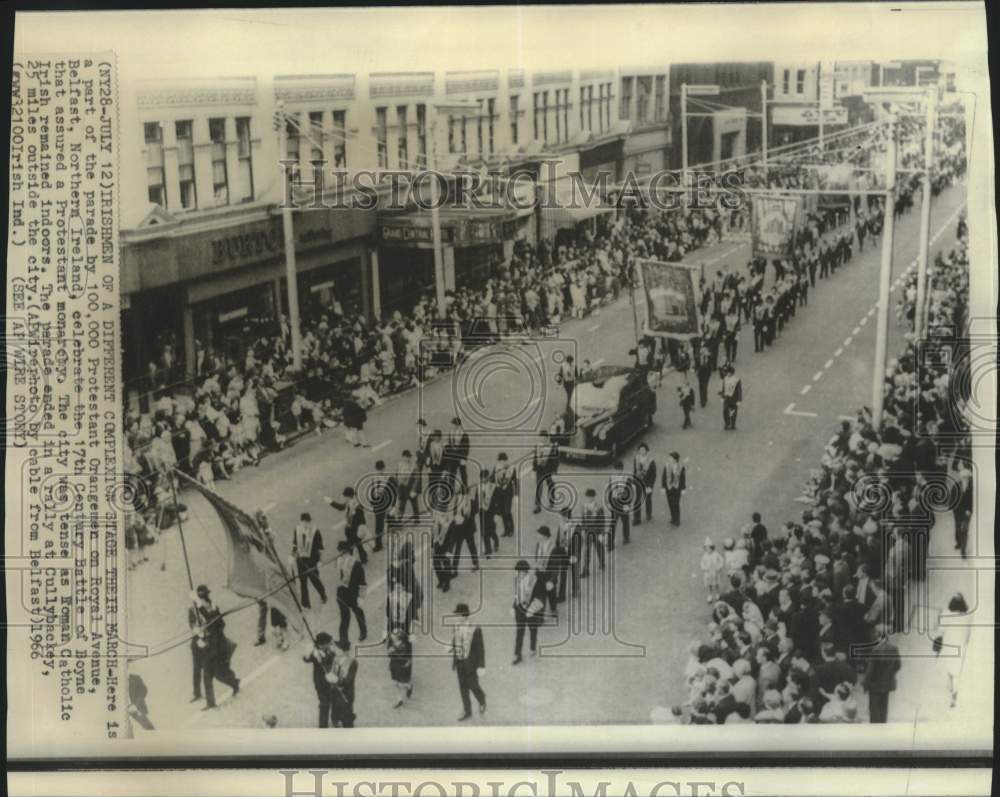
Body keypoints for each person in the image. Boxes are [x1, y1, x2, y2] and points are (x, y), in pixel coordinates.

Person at [188, 585, 240, 710]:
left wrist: (207, 632)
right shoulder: (193, 609)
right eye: (200, 599)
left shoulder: (212, 609)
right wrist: (197, 632)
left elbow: (219, 624)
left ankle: (234, 683)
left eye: (203, 598)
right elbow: (192, 622)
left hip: (216, 648)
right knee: (207, 675)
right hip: (205, 648)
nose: (203, 601)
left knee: (219, 674)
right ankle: (211, 703)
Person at [451, 603, 487, 721]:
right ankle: (467, 711)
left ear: (464, 615)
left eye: (458, 615)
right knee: (463, 688)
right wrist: (453, 657)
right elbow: (455, 642)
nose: (456, 617)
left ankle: (481, 699)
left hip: (471, 663)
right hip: (460, 662)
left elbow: (480, 648)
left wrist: (481, 666)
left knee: (473, 685)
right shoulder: (455, 626)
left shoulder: (475, 628)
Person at [861, 624, 901, 723]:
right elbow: (898, 665)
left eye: (875, 632)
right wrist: (889, 674)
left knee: (874, 710)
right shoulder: (893, 648)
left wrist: (865, 684)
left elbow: (870, 672)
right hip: (887, 684)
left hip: (875, 686)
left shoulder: (875, 650)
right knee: (884, 708)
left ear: (878, 634)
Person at [512, 559, 547, 664]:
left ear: (525, 571)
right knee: (519, 632)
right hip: (520, 609)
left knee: (533, 630)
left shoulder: (534, 580)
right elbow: (517, 594)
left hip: (531, 610)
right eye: (517, 571)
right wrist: (514, 606)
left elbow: (540, 597)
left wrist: (532, 610)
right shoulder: (517, 579)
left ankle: (532, 648)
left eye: (520, 571)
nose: (518, 574)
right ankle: (517, 655)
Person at [335, 540, 368, 648]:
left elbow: (362, 582)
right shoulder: (339, 561)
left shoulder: (356, 564)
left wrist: (361, 597)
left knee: (358, 613)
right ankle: (344, 642)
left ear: (347, 552)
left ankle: (363, 631)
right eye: (340, 552)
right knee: (344, 618)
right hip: (342, 593)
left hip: (353, 594)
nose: (341, 555)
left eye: (342, 552)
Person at [303, 631, 338, 728]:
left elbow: (335, 656)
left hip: (332, 679)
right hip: (320, 682)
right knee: (324, 704)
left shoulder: (330, 649)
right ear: (322, 644)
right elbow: (305, 659)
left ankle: (335, 719)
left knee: (335, 700)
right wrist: (311, 652)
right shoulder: (316, 653)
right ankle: (323, 727)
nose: (330, 643)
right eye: (328, 642)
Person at [292, 512, 327, 610]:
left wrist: (320, 560)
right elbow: (295, 545)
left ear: (309, 522)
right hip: (300, 561)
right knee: (303, 582)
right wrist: (291, 555)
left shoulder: (315, 531)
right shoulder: (297, 530)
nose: (305, 524)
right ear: (301, 522)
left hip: (312, 560)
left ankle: (323, 595)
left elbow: (320, 548)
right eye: (303, 522)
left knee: (315, 580)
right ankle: (306, 604)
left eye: (307, 522)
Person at [327, 487, 368, 565]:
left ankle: (350, 562)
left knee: (350, 547)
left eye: (345, 497)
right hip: (350, 530)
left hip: (355, 531)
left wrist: (353, 530)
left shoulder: (357, 506)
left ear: (348, 496)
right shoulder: (349, 503)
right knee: (358, 545)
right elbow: (341, 507)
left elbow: (361, 520)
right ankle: (363, 558)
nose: (344, 498)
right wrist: (331, 502)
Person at [555, 506, 580, 601]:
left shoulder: (575, 527)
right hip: (563, 552)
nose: (561, 518)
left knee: (574, 572)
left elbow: (578, 542)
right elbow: (557, 539)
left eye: (562, 516)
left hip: (573, 553)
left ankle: (575, 590)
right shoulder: (561, 525)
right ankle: (562, 595)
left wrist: (574, 555)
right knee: (563, 573)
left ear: (566, 517)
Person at [532, 430, 560, 513]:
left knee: (551, 486)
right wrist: (534, 470)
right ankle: (537, 505)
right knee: (539, 487)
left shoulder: (553, 446)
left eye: (544, 438)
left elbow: (556, 460)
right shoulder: (537, 446)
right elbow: (534, 459)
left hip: (549, 469)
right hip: (540, 469)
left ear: (547, 438)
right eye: (541, 438)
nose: (542, 439)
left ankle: (551, 502)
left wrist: (554, 472)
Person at [580, 487, 605, 577]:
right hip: (587, 531)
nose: (589, 498)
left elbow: (602, 521)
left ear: (594, 497)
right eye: (587, 496)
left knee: (599, 548)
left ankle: (602, 562)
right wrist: (582, 529)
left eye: (590, 496)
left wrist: (602, 533)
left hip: (597, 531)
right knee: (586, 551)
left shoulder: (598, 507)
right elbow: (583, 519)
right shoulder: (584, 506)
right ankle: (585, 570)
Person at [491, 452, 517, 538]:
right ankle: (506, 530)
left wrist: (516, 494)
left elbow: (515, 481)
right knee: (502, 512)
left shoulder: (511, 468)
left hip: (508, 492)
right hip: (499, 492)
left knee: (507, 511)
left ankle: (511, 529)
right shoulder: (496, 467)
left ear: (506, 460)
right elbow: (492, 478)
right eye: (500, 461)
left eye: (503, 461)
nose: (502, 462)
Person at [386, 625, 413, 709]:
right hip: (394, 665)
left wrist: (393, 650)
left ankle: (409, 686)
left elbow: (405, 655)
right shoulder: (391, 642)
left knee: (401, 682)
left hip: (402, 666)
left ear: (398, 637)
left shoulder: (404, 645)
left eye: (393, 635)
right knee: (395, 683)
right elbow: (389, 653)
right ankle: (399, 700)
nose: (391, 635)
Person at [606, 460, 631, 548]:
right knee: (613, 523)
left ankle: (626, 537)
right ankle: (610, 543)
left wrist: (627, 504)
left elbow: (629, 492)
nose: (617, 471)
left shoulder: (626, 478)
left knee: (625, 521)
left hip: (624, 503)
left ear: (622, 469)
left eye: (619, 470)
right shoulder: (612, 477)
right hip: (614, 502)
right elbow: (609, 490)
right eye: (616, 470)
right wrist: (609, 501)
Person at [534, 525, 558, 613]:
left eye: (539, 534)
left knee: (551, 593)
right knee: (541, 595)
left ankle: (553, 609)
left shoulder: (554, 548)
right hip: (540, 573)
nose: (537, 536)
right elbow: (536, 558)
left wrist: (552, 580)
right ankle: (541, 616)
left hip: (549, 574)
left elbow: (556, 566)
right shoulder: (538, 544)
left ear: (544, 536)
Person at [369, 460, 392, 552]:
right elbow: (371, 490)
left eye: (380, 469)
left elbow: (391, 492)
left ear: (384, 468)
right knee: (379, 524)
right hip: (377, 504)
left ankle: (380, 543)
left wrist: (391, 504)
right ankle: (379, 543)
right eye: (378, 470)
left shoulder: (388, 478)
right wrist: (372, 502)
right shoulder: (374, 478)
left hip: (385, 503)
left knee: (381, 524)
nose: (379, 471)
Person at [477, 468, 500, 556]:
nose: (482, 480)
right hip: (481, 511)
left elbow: (498, 502)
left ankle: (493, 544)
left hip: (490, 512)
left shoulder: (494, 487)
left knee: (489, 531)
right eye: (481, 478)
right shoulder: (478, 486)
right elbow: (476, 498)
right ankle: (490, 547)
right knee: (483, 531)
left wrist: (497, 513)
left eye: (484, 478)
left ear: (488, 477)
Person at [632, 443, 657, 525]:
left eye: (643, 450)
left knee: (648, 499)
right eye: (640, 450)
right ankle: (637, 519)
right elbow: (635, 471)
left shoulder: (651, 460)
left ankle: (648, 514)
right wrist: (633, 482)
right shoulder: (636, 459)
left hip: (648, 483)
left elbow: (653, 474)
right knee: (637, 501)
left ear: (647, 451)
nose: (642, 451)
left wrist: (650, 486)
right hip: (639, 482)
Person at [444, 416, 471, 489]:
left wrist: (464, 458)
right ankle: (451, 487)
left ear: (458, 425)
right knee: (451, 472)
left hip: (460, 455)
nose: (453, 426)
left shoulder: (463, 434)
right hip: (452, 455)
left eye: (455, 425)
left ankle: (465, 486)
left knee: (462, 471)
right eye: (453, 425)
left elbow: (466, 447)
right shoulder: (451, 433)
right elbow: (448, 445)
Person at [661, 451, 686, 526]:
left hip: (677, 488)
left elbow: (683, 478)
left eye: (671, 458)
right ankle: (673, 518)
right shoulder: (667, 466)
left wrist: (683, 488)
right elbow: (663, 477)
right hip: (669, 488)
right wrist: (663, 487)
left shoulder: (681, 467)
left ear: (675, 460)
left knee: (676, 504)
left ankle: (677, 519)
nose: (669, 459)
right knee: (670, 503)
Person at [701, 539, 725, 604]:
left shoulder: (716, 554)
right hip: (708, 573)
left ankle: (717, 593)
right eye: (706, 549)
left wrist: (719, 566)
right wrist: (705, 568)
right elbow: (702, 563)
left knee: (716, 583)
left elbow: (721, 560)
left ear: (712, 548)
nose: (708, 550)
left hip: (715, 572)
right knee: (709, 585)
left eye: (709, 548)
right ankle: (710, 595)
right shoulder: (705, 555)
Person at [695, 344, 713, 409]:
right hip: (700, 373)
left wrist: (710, 372)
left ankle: (704, 399)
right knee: (701, 386)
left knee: (705, 386)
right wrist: (696, 371)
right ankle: (703, 400)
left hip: (707, 373)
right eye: (702, 351)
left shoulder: (709, 356)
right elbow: (696, 365)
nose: (703, 352)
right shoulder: (698, 357)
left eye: (704, 350)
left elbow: (711, 364)